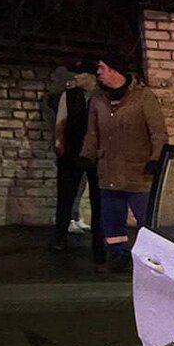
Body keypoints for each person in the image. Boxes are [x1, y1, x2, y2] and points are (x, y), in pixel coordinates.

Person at [80, 55, 168, 270]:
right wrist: (86, 155)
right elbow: (92, 132)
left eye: (102, 68)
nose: (98, 73)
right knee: (112, 218)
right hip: (109, 171)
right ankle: (118, 254)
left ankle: (153, 258)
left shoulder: (143, 97)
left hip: (138, 171)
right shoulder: (98, 99)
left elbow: (158, 133)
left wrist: (156, 158)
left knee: (145, 218)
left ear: (114, 70)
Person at [52, 59, 105, 263]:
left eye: (80, 74)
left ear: (91, 76)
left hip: (97, 154)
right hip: (72, 152)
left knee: (98, 199)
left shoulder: (103, 96)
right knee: (65, 196)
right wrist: (60, 144)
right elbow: (61, 120)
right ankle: (59, 236)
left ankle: (99, 241)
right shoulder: (70, 95)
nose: (76, 77)